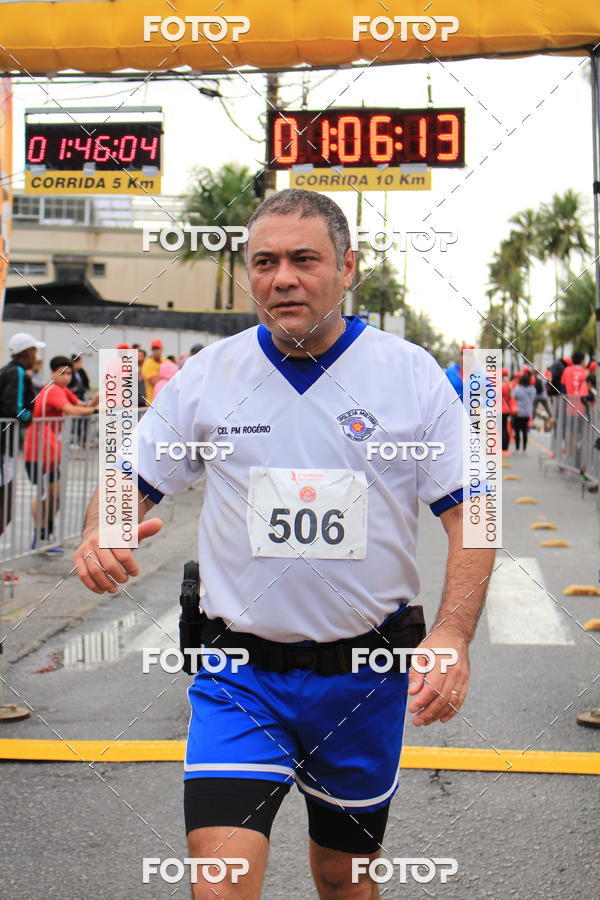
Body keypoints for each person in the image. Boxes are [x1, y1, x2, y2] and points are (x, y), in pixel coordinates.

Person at [72, 188, 495, 899]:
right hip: (239, 676)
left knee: (343, 879)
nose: (282, 278)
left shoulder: (411, 376)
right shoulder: (210, 375)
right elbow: (130, 480)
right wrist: (100, 533)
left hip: (364, 681)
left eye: (304, 259)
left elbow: (472, 515)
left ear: (348, 267)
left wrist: (452, 634)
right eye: (264, 262)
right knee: (222, 882)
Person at [24, 356, 98, 551]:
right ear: (52, 373)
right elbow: (72, 410)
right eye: (62, 373)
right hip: (38, 451)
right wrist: (97, 408)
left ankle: (45, 535)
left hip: (48, 450)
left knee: (54, 495)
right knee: (45, 494)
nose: (66, 377)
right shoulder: (53, 390)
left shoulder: (62, 389)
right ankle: (40, 536)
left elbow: (83, 406)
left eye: (69, 373)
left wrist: (98, 399)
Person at [0, 332, 46, 536]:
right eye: (34, 350)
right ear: (27, 352)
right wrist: (29, 417)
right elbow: (14, 408)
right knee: (4, 510)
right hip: (4, 444)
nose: (36, 355)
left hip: (7, 443)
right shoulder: (16, 372)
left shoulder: (10, 371)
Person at [511, 372, 537, 451]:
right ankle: (524, 447)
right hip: (527, 413)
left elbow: (513, 396)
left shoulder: (518, 388)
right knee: (525, 431)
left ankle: (517, 447)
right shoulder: (533, 389)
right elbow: (533, 399)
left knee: (517, 430)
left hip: (518, 412)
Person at [140, 339, 166, 404]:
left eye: (158, 348)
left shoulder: (166, 361)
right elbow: (156, 382)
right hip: (152, 403)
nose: (156, 351)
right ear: (151, 350)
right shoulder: (147, 364)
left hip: (165, 401)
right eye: (154, 349)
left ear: (162, 349)